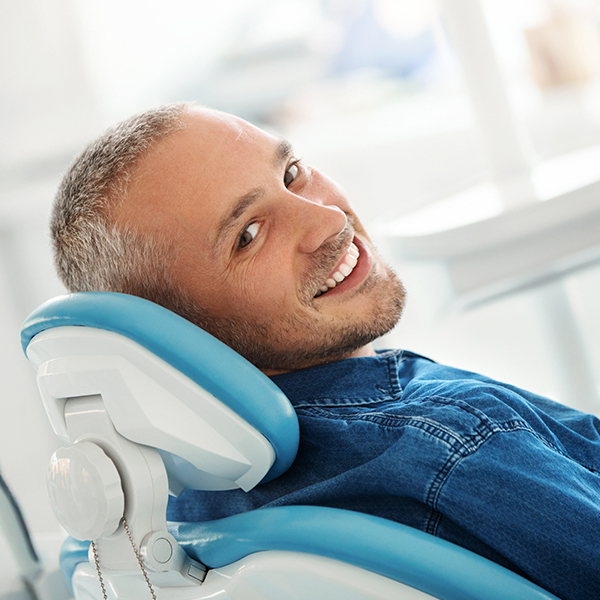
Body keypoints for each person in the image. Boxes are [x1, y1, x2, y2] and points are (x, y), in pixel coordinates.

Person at [52, 103, 599, 600]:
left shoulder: (166, 520)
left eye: (291, 173)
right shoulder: (456, 444)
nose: (329, 220)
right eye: (248, 235)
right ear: (180, 335)